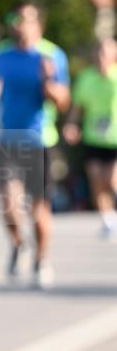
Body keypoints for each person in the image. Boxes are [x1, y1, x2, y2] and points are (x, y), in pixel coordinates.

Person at [0, 3, 70, 288]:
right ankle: (19, 244)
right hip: (7, 138)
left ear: (38, 25)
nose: (20, 25)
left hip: (39, 140)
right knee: (7, 204)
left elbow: (62, 101)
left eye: (26, 21)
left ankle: (41, 260)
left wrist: (47, 82)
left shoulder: (52, 55)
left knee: (38, 209)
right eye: (16, 20)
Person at [63, 39, 117, 237]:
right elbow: (77, 107)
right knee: (95, 179)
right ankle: (108, 219)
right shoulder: (86, 78)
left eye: (106, 53)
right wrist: (71, 125)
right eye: (99, 52)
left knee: (111, 179)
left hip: (115, 138)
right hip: (94, 137)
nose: (102, 57)